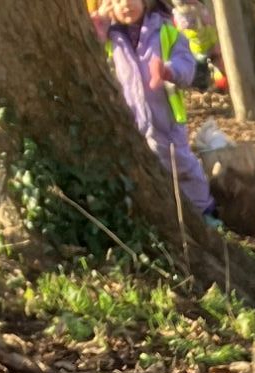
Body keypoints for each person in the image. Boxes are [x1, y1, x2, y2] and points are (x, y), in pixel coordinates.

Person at [92, 0, 215, 220]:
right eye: (118, 0)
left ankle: (204, 211)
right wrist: (98, 28)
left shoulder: (165, 30)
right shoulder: (111, 37)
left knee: (181, 165)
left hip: (165, 118)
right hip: (131, 119)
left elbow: (186, 63)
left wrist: (168, 71)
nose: (126, 5)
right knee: (139, 168)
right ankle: (159, 215)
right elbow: (91, 58)